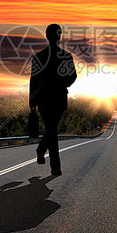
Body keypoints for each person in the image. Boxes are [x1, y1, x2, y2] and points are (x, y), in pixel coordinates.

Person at [29, 24, 77, 175]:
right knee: (52, 130)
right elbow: (72, 76)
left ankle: (42, 149)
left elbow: (34, 81)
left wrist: (32, 100)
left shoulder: (39, 57)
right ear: (59, 36)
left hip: (46, 100)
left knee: (51, 129)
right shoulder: (66, 56)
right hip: (56, 99)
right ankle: (55, 167)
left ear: (47, 36)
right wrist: (62, 83)